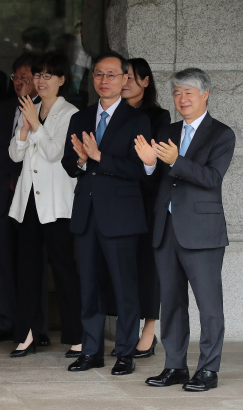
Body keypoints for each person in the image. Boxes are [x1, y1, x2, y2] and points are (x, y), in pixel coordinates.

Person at [136, 68, 235, 392]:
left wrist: (176, 160)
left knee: (209, 306)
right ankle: (175, 366)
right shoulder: (168, 129)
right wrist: (150, 163)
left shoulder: (221, 134)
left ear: (205, 94)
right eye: (177, 93)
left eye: (188, 93)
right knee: (172, 303)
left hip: (202, 232)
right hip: (166, 229)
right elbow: (156, 180)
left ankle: (208, 370)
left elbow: (211, 179)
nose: (182, 99)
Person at [61, 51, 151, 375]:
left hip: (121, 216)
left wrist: (98, 156)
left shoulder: (137, 119)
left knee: (125, 286)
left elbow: (140, 169)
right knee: (90, 286)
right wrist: (83, 160)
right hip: (87, 213)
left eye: (111, 74)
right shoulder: (81, 117)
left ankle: (125, 352)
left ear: (125, 78)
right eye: (99, 74)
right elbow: (69, 164)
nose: (104, 80)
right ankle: (91, 351)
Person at [7, 52, 82, 357]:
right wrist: (24, 130)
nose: (41, 81)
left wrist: (36, 124)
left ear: (62, 80)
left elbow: (55, 153)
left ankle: (77, 336)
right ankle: (25, 334)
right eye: (38, 75)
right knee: (26, 270)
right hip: (28, 203)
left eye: (48, 76)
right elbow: (14, 154)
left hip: (56, 203)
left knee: (64, 270)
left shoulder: (71, 114)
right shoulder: (30, 107)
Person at [0, 53, 45, 344]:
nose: (20, 82)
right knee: (3, 261)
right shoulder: (3, 110)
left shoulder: (47, 111)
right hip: (2, 196)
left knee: (32, 263)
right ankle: (6, 323)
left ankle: (36, 328)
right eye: (16, 78)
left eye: (26, 78)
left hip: (32, 198)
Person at [105, 58, 171, 358]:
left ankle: (149, 329)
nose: (126, 81)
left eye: (131, 77)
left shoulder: (158, 115)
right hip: (115, 201)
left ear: (146, 82)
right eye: (124, 76)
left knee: (146, 265)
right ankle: (126, 328)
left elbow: (153, 162)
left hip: (146, 200)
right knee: (122, 267)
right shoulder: (111, 113)